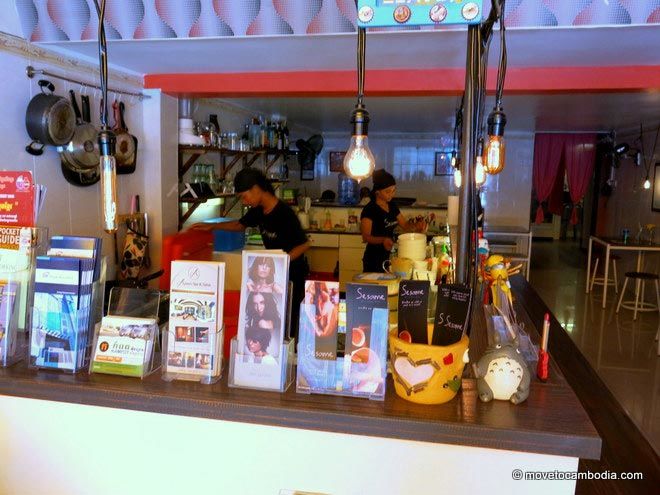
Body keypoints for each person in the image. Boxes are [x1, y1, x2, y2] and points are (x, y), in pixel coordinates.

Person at [192, 167, 310, 339]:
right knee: (272, 315)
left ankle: (289, 356)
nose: (245, 201)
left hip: (292, 274)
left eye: (244, 196)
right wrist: (212, 226)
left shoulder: (284, 213)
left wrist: (281, 262)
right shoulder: (259, 211)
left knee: (289, 320)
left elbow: (304, 244)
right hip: (273, 274)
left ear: (256, 189)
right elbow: (239, 225)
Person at [360, 169, 426, 273]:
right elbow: (365, 237)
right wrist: (383, 240)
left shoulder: (392, 205)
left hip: (389, 257)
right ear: (377, 192)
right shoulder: (370, 209)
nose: (391, 194)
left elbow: (405, 225)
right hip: (373, 259)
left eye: (393, 190)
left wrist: (416, 227)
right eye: (388, 191)